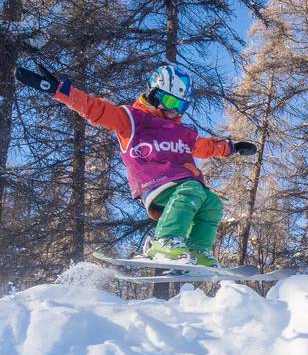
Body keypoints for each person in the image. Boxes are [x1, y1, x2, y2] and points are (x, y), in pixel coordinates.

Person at [15, 63, 256, 267]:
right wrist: (60, 91)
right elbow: (95, 109)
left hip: (183, 183)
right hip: (156, 182)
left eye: (180, 106)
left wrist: (230, 147)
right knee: (192, 190)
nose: (174, 110)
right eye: (170, 101)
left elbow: (204, 146)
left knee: (212, 204)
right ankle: (164, 241)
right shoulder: (132, 119)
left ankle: (197, 250)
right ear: (154, 93)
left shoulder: (182, 132)